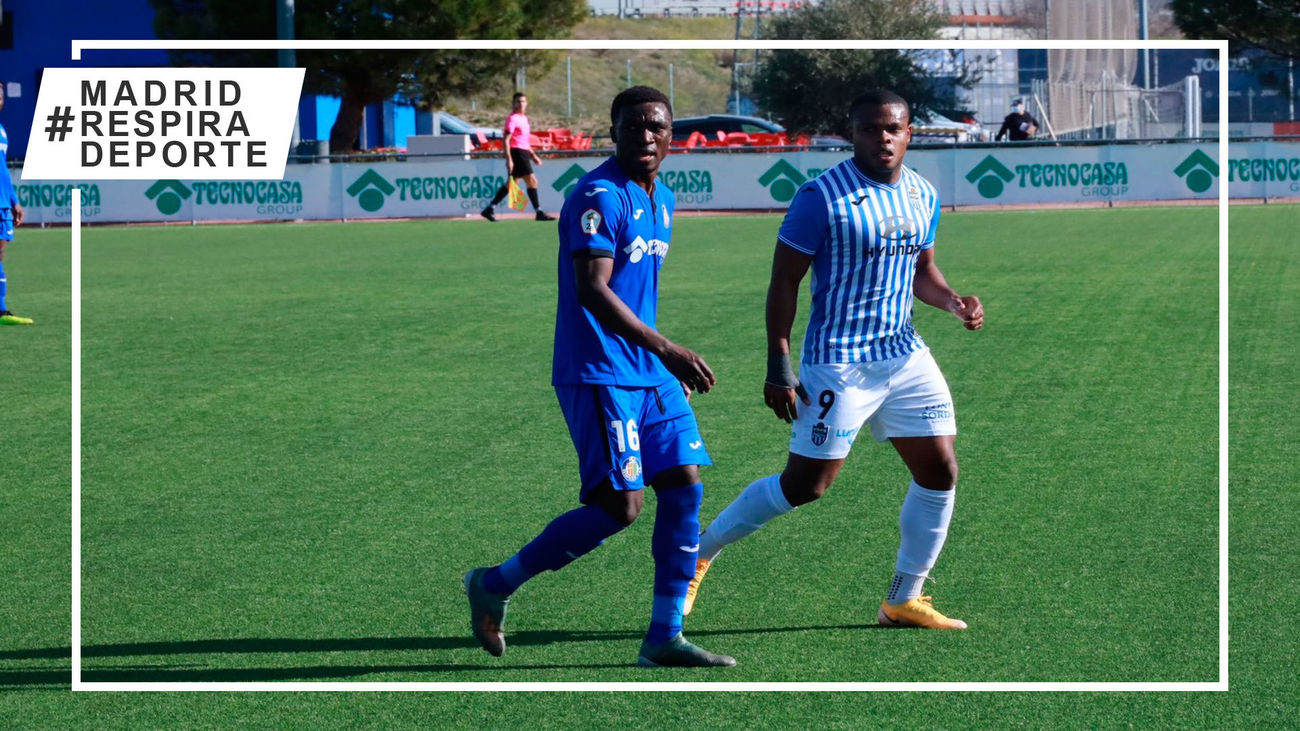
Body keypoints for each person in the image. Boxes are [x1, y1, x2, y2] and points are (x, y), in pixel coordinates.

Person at [685, 89, 983, 630]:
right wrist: (779, 360)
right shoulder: (820, 197)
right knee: (807, 486)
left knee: (940, 470)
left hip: (905, 353)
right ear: (854, 134)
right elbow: (784, 282)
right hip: (839, 361)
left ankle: (903, 598)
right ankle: (698, 553)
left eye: (892, 128)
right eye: (870, 128)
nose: (882, 137)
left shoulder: (922, 193)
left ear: (909, 132)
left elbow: (923, 272)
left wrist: (953, 301)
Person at [464, 86, 734, 668]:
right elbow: (593, 289)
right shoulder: (598, 194)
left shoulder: (659, 200)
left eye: (655, 126)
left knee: (686, 485)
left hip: (646, 373)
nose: (644, 136)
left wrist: (659, 361)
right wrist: (666, 348)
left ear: (671, 136)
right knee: (620, 508)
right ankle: (495, 583)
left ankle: (665, 635)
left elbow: (639, 294)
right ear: (613, 132)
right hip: (599, 373)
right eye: (632, 126)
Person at [481, 93, 555, 222]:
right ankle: (539, 212)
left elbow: (524, 141)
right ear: (513, 104)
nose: (521, 104)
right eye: (518, 102)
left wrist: (533, 155)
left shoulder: (524, 119)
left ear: (527, 103)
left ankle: (489, 208)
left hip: (523, 152)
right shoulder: (512, 119)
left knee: (512, 184)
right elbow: (506, 140)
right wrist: (509, 159)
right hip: (517, 153)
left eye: (523, 101)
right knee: (532, 181)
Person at [0, 83, 32, 326]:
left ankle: (1, 311)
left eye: (0, 96)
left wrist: (14, 200)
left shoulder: (1, 131)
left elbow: (3, 171)